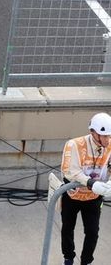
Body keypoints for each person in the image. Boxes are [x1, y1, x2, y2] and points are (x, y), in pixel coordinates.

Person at [60, 112, 111, 265]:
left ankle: (86, 261)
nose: (107, 140)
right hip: (72, 195)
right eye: (104, 136)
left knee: (92, 232)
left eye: (109, 135)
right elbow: (71, 170)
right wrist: (91, 183)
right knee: (67, 228)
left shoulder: (110, 145)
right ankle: (68, 257)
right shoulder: (74, 144)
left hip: (94, 198)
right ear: (93, 132)